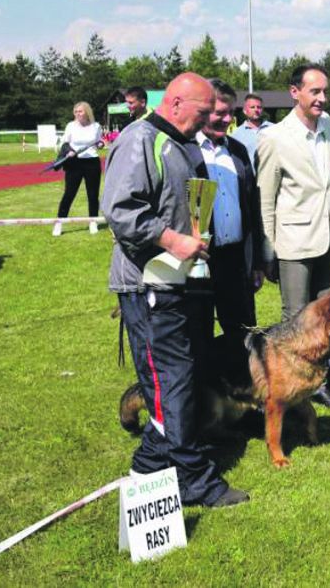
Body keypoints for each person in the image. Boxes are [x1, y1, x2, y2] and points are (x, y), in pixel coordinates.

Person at [102, 72, 248, 508]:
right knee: (170, 382)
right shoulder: (138, 140)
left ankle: (155, 465)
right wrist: (172, 239)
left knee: (182, 377)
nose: (207, 122)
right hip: (148, 286)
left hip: (181, 285)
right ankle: (190, 479)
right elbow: (121, 210)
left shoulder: (182, 146)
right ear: (177, 102)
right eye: (203, 113)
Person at [256, 63, 330, 411]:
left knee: (329, 317)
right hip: (293, 243)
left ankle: (322, 384)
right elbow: (266, 198)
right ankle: (291, 391)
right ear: (295, 92)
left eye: (325, 91)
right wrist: (268, 249)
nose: (322, 98)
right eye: (315, 91)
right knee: (296, 319)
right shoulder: (274, 137)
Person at [195, 80, 265, 362]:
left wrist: (257, 262)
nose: (227, 119)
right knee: (198, 335)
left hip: (237, 260)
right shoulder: (184, 149)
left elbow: (252, 208)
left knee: (243, 336)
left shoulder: (238, 150)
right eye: (220, 113)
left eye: (231, 113)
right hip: (199, 260)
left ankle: (246, 398)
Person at [53, 101, 104, 237]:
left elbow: (100, 141)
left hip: (92, 162)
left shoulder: (96, 126)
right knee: (69, 194)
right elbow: (64, 142)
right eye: (75, 112)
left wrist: (100, 144)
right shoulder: (71, 126)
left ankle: (93, 221)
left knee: (93, 195)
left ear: (87, 112)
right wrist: (69, 150)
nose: (77, 114)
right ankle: (59, 222)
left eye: (80, 111)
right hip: (74, 163)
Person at [230, 92, 273, 168]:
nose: (256, 110)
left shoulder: (274, 129)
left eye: (259, 107)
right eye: (252, 107)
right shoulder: (236, 135)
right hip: (250, 178)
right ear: (245, 111)